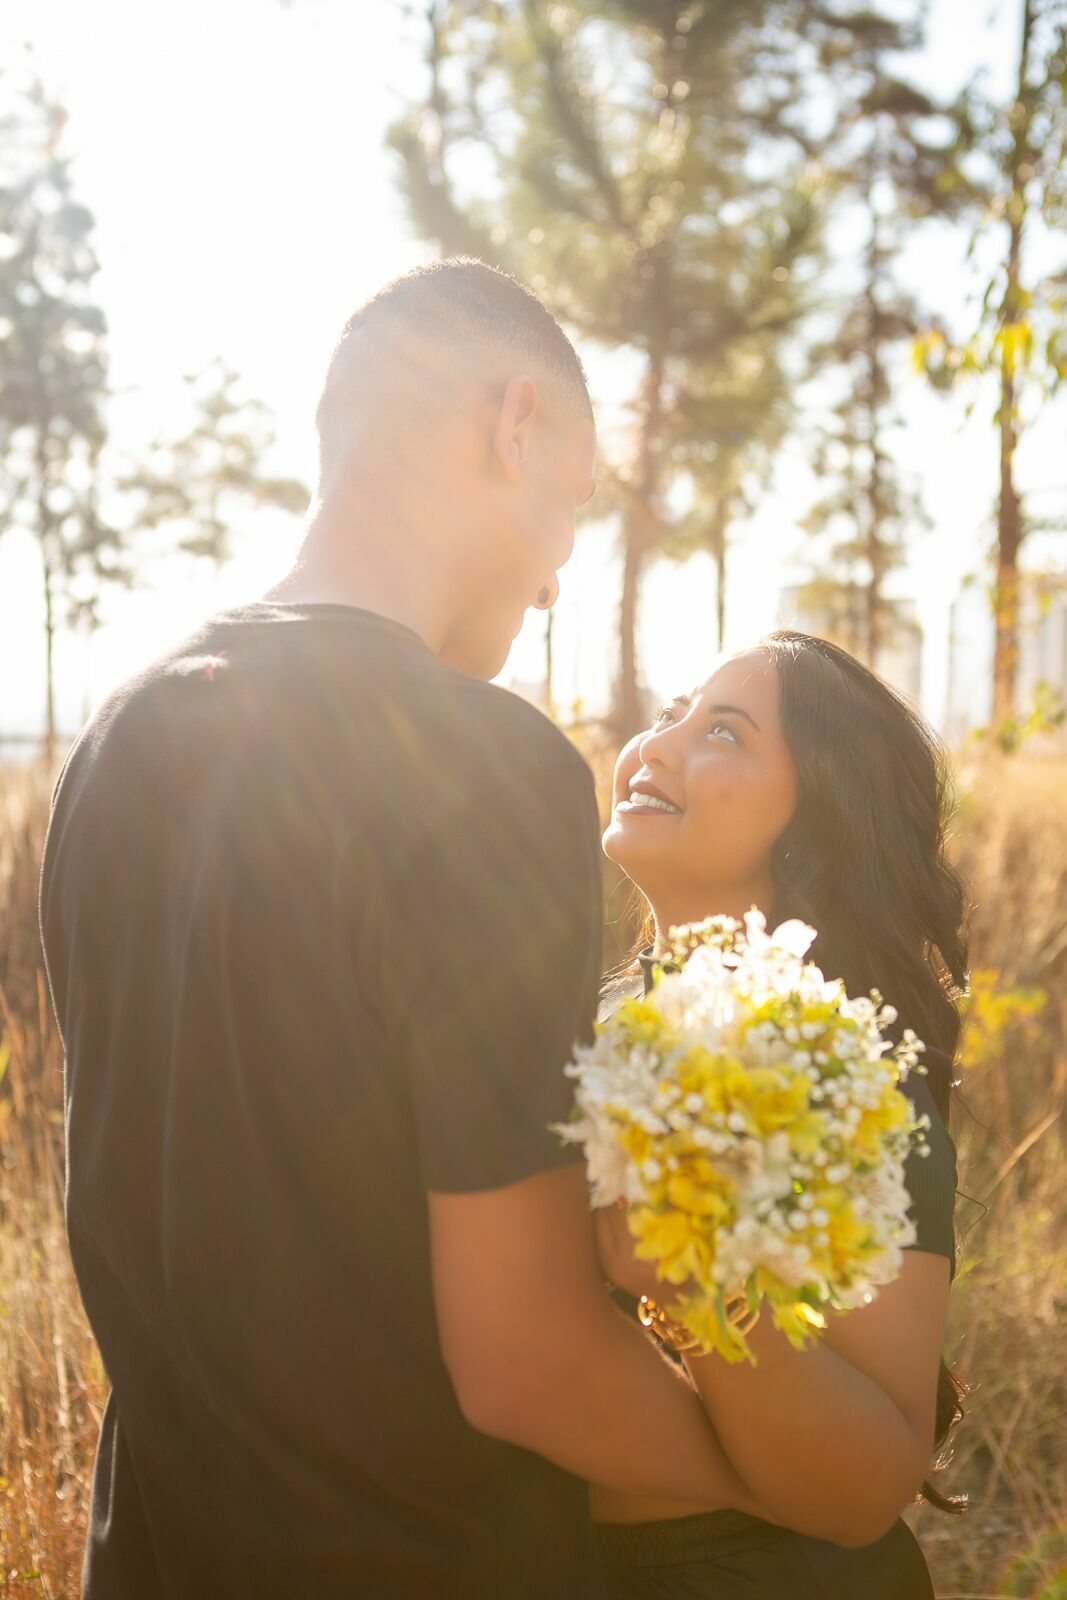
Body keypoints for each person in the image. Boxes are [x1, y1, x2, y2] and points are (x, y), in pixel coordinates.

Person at [40, 259, 764, 1600]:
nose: (556, 576)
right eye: (573, 506)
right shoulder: (481, 766)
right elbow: (522, 1357)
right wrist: (779, 1485)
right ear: (512, 421)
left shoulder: (117, 741)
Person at [591, 632, 968, 1599]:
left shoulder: (854, 1076)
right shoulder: (589, 1015)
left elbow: (863, 1492)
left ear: (811, 826)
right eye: (673, 711)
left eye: (721, 730)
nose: (658, 744)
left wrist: (696, 1283)